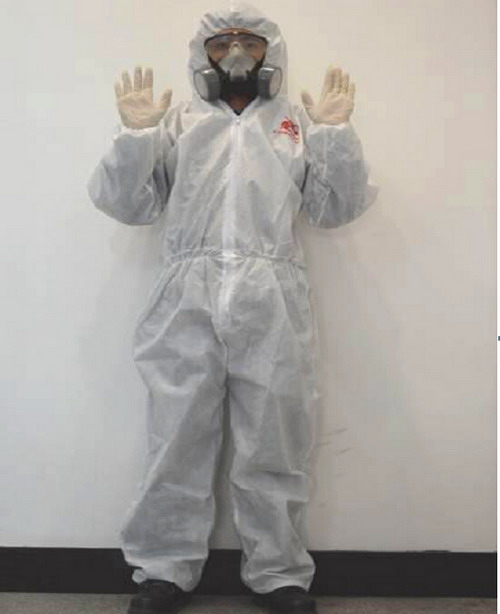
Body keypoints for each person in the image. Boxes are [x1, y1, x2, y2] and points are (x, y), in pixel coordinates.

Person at [87, 2, 378, 613]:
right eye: (222, 44)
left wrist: (334, 135)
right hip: (185, 294)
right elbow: (130, 206)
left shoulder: (294, 123)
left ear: (271, 51)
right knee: (176, 436)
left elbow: (334, 210)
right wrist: (136, 137)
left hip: (271, 294)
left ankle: (278, 573)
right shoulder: (179, 120)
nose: (236, 54)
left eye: (249, 41)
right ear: (204, 53)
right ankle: (163, 570)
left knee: (276, 438)